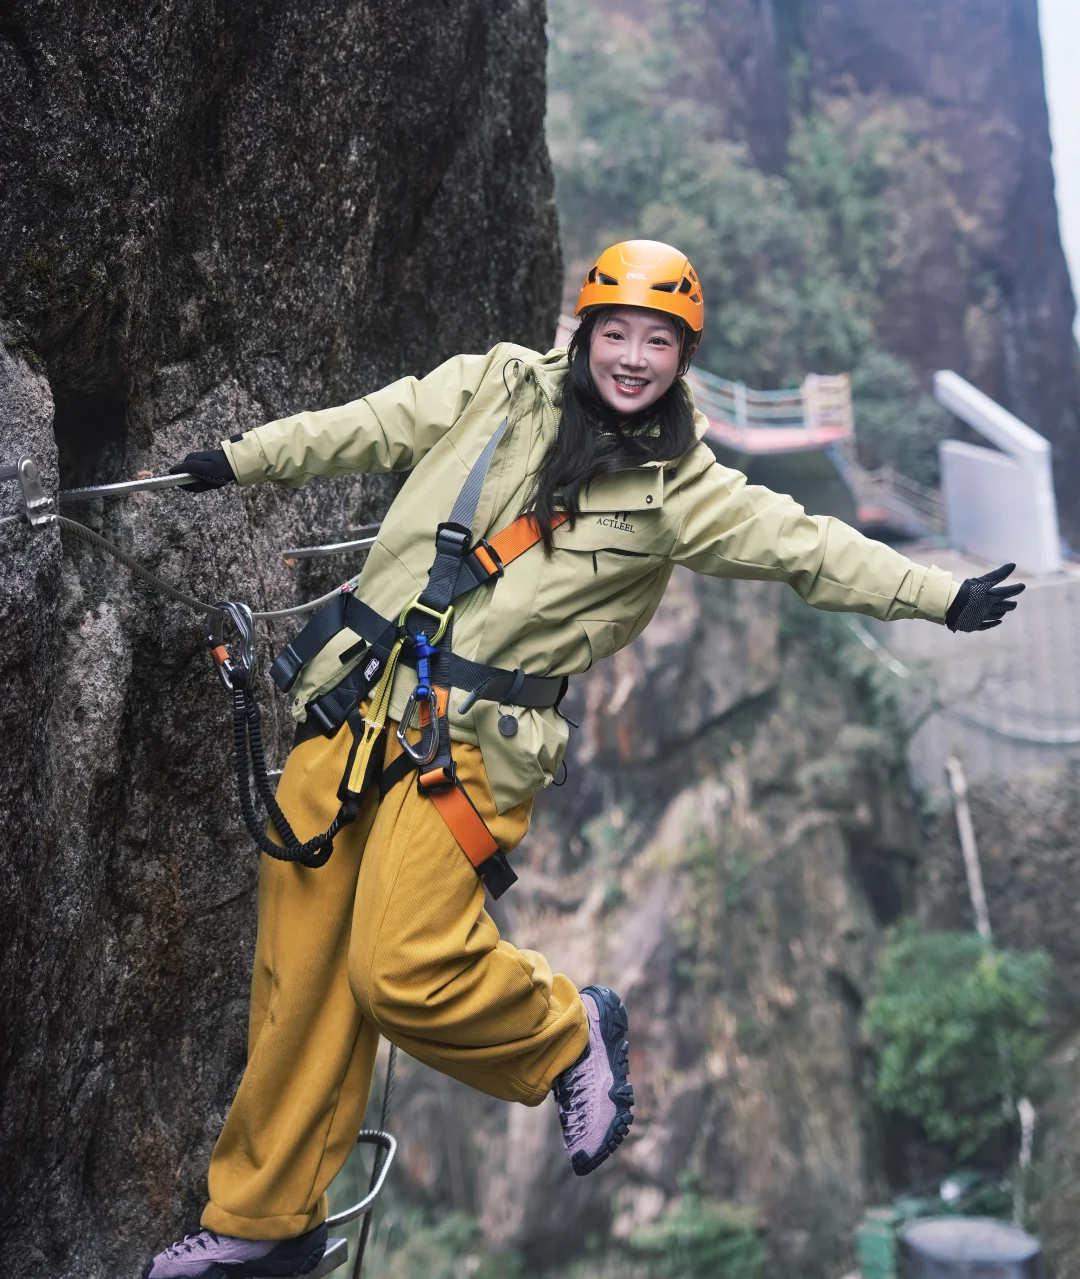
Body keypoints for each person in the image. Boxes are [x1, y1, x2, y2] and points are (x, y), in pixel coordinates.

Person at [144, 240, 1024, 1278]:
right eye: (620, 332)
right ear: (586, 332)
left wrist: (935, 594)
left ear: (684, 360)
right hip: (352, 706)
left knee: (400, 970)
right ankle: (262, 1225)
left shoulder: (682, 491)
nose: (636, 356)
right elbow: (371, 427)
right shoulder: (498, 388)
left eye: (660, 341)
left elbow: (806, 547)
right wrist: (239, 457)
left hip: (466, 750)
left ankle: (567, 1032)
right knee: (298, 983)